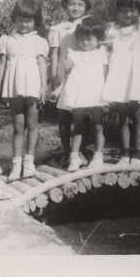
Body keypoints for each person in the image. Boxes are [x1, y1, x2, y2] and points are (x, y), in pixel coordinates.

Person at [101, 0, 140, 165]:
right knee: (122, 118)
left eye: (132, 10)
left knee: (138, 117)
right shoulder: (112, 32)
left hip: (136, 78)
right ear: (118, 10)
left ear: (139, 11)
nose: (128, 13)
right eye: (124, 9)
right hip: (119, 77)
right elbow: (107, 57)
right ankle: (125, 153)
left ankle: (137, 154)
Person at [0, 0, 49, 181]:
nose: (24, 24)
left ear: (35, 21)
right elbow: (2, 64)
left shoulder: (39, 41)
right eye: (20, 19)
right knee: (18, 126)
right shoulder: (6, 40)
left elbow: (42, 64)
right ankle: (16, 164)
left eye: (29, 20)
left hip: (32, 86)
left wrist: (43, 87)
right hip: (14, 86)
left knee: (32, 124)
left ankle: (29, 162)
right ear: (14, 19)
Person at [50, 18, 108, 171]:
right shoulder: (74, 55)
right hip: (78, 94)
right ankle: (74, 157)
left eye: (89, 39)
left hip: (96, 94)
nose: (85, 42)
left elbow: (105, 74)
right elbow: (69, 75)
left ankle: (98, 156)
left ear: (98, 39)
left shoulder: (101, 54)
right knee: (78, 125)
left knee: (98, 125)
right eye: (82, 39)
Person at [48, 0, 91, 161]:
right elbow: (54, 53)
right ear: (65, 6)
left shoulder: (88, 24)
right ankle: (67, 150)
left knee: (84, 111)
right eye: (71, 4)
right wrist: (53, 75)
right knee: (65, 113)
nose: (75, 8)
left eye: (80, 4)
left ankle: (81, 149)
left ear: (86, 6)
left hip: (84, 72)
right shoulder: (57, 28)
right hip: (64, 72)